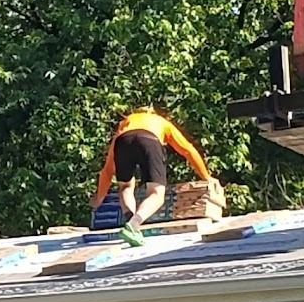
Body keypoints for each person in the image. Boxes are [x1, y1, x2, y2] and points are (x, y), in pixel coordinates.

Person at [89, 105, 214, 247]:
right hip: (149, 139)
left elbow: (107, 169)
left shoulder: (126, 123)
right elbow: (187, 150)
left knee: (125, 186)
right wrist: (206, 177)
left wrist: (99, 197)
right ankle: (133, 224)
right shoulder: (161, 121)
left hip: (122, 141)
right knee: (156, 193)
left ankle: (131, 225)